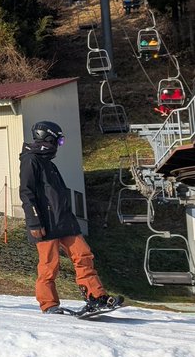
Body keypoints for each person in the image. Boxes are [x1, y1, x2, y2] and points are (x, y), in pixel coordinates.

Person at [19, 121, 123, 315]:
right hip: (45, 223)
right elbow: (26, 193)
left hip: (65, 221)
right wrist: (34, 221)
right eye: (59, 141)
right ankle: (49, 304)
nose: (59, 146)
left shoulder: (48, 164)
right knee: (49, 266)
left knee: (84, 255)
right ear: (47, 138)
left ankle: (96, 296)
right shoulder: (30, 160)